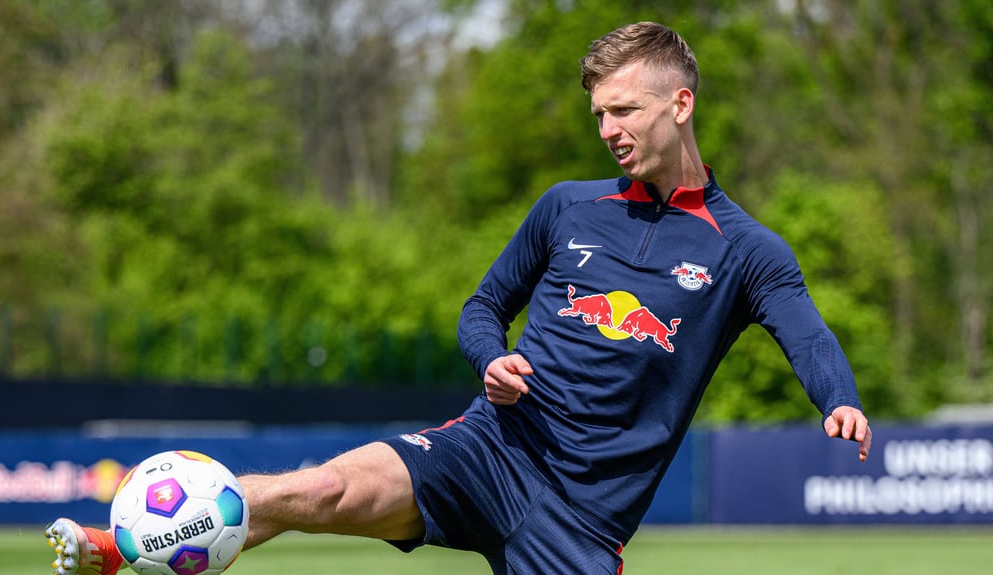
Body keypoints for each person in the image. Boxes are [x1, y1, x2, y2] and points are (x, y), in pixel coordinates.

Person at [46, 21, 872, 575]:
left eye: (624, 109)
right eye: (598, 113)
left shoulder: (747, 251)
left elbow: (808, 336)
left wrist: (839, 399)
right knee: (327, 490)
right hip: (489, 449)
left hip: (581, 522)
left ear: (680, 104)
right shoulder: (565, 206)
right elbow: (479, 310)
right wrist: (492, 358)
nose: (608, 128)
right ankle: (122, 544)